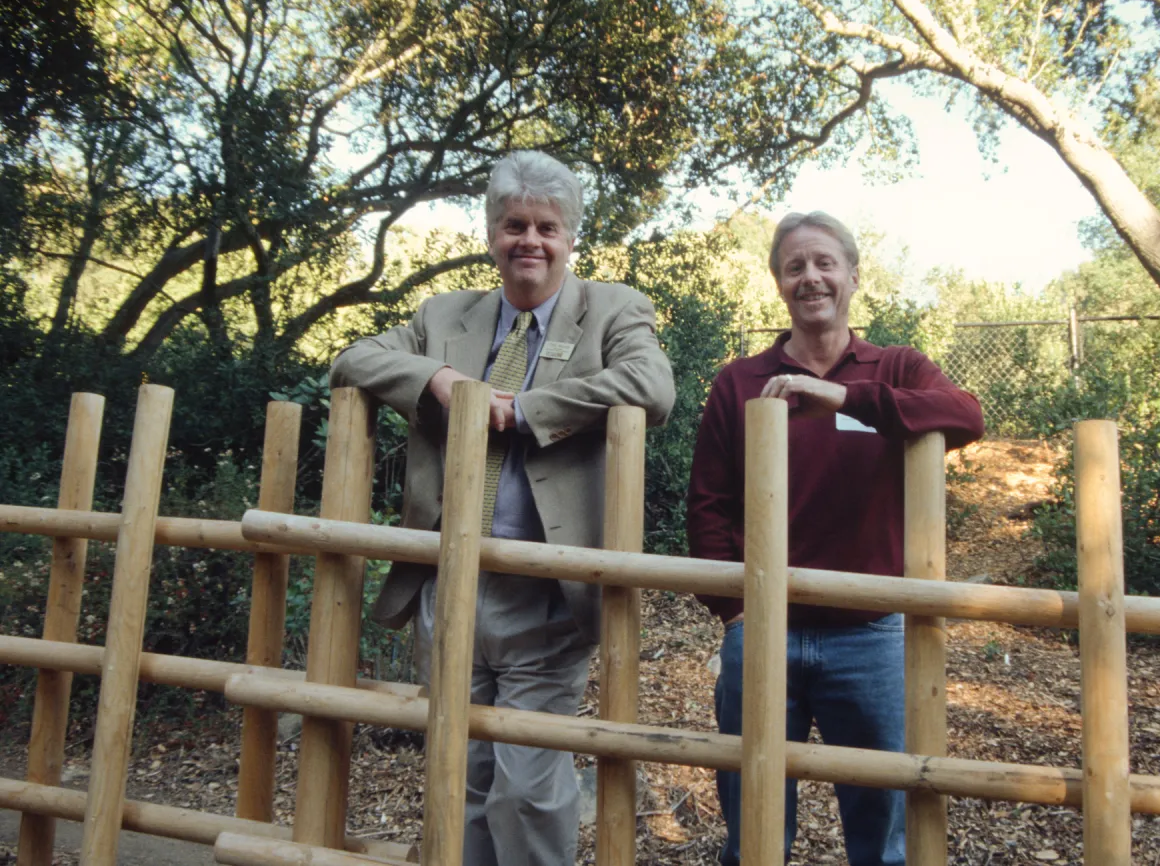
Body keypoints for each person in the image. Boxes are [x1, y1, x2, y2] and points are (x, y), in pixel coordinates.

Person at [330, 151, 675, 866]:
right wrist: (443, 379)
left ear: (570, 237)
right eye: (514, 224)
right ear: (491, 232)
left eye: (547, 227)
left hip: (545, 592)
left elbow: (651, 386)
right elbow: (353, 360)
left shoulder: (612, 309)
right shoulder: (442, 316)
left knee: (529, 785)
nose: (530, 241)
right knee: (460, 771)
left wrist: (523, 411)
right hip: (446, 586)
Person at [686, 212, 984, 866]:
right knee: (754, 821)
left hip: (871, 634)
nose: (810, 278)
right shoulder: (738, 383)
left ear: (852, 275)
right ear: (778, 283)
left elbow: (966, 416)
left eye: (824, 263)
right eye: (795, 266)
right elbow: (708, 506)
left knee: (881, 826)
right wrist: (734, 613)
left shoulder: (897, 367)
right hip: (761, 629)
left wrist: (843, 397)